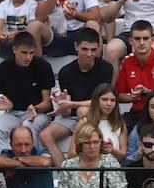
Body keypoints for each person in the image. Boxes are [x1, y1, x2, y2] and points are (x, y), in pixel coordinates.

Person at [38, 28, 112, 160]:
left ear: (98, 48)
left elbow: (101, 101)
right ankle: (64, 171)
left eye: (93, 50)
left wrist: (71, 104)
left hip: (96, 114)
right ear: (76, 46)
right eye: (85, 49)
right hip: (72, 117)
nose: (89, 54)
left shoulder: (105, 68)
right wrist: (62, 104)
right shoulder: (65, 72)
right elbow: (67, 113)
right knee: (45, 135)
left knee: (82, 111)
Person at [0, 30, 56, 153]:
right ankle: (7, 163)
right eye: (24, 53)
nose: (28, 57)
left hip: (39, 114)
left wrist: (35, 109)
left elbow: (48, 103)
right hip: (13, 113)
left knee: (27, 127)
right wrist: (7, 105)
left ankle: (32, 164)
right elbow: (4, 99)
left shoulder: (43, 66)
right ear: (14, 50)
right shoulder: (3, 69)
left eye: (31, 53)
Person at [113, 20, 154, 118]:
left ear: (152, 40)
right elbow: (119, 95)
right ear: (130, 41)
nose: (141, 43)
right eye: (137, 39)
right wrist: (132, 97)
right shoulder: (126, 61)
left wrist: (147, 92)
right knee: (120, 129)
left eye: (145, 38)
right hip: (138, 112)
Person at [33, 0, 103, 58]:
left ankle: (96, 66)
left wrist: (77, 15)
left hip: (79, 34)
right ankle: (36, 67)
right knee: (34, 26)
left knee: (93, 24)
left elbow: (96, 16)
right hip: (54, 34)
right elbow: (39, 17)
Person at [71, 81, 129, 161]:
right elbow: (71, 153)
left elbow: (123, 155)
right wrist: (94, 150)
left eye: (112, 100)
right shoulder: (84, 122)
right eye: (104, 99)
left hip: (112, 170)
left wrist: (111, 150)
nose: (109, 104)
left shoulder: (120, 124)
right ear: (96, 101)